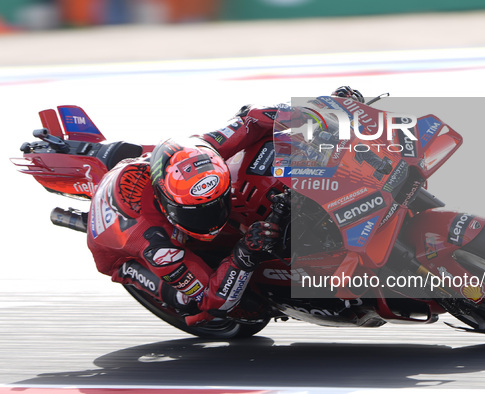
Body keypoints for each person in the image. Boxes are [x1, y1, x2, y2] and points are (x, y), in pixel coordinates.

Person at [86, 86, 364, 326]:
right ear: (166, 203)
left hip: (146, 171)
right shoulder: (156, 245)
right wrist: (244, 254)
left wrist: (325, 110)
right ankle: (137, 278)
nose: (213, 217)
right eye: (198, 212)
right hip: (119, 250)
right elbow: (212, 298)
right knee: (219, 307)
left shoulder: (206, 149)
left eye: (216, 202)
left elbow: (253, 117)